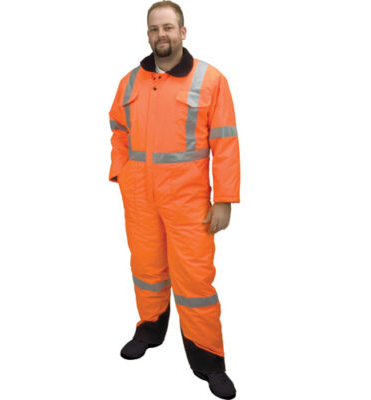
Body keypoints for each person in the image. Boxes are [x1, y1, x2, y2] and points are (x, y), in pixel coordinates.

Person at [108, 1, 240, 398]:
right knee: (146, 269)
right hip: (140, 196)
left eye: (167, 27)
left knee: (194, 280)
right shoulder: (130, 81)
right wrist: (121, 173)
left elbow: (225, 142)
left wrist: (225, 198)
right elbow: (118, 129)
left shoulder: (210, 79)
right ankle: (149, 330)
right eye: (154, 28)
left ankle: (209, 361)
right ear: (148, 34)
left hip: (188, 200)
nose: (160, 34)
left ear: (183, 31)